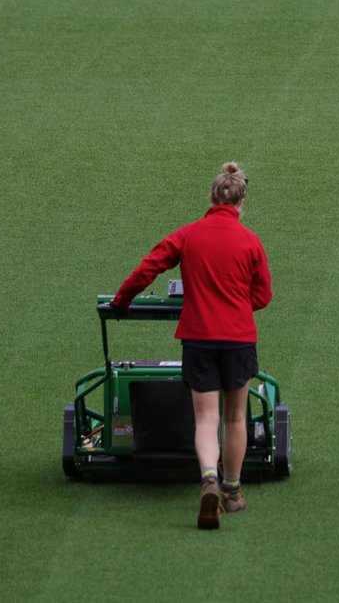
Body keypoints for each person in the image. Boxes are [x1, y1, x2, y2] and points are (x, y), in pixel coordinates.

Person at [111, 161, 273, 530]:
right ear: (240, 203)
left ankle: (208, 479)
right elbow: (262, 296)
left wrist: (123, 300)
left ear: (211, 197)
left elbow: (148, 267)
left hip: (199, 338)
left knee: (206, 418)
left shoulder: (189, 235)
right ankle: (232, 491)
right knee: (235, 418)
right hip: (238, 339)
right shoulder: (251, 241)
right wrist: (233, 302)